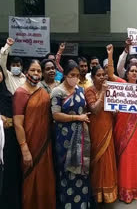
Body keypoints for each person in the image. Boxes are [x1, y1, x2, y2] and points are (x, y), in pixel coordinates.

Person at [13, 59, 55, 209]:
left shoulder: (43, 92)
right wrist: (25, 149)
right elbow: (18, 124)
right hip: (30, 145)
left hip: (45, 144)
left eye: (38, 71)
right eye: (33, 70)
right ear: (26, 72)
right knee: (31, 180)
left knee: (46, 178)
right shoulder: (20, 93)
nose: (36, 74)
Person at [112, 51, 137, 204]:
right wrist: (111, 55)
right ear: (126, 73)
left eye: (136, 71)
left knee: (136, 155)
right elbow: (110, 73)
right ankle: (125, 189)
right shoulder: (121, 86)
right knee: (125, 157)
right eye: (131, 71)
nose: (134, 73)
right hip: (122, 127)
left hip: (136, 128)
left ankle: (136, 188)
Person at [51, 60, 91, 208]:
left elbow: (85, 109)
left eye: (77, 75)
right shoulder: (57, 91)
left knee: (82, 168)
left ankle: (82, 204)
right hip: (65, 138)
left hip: (82, 136)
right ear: (65, 75)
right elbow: (56, 115)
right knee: (67, 169)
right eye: (71, 75)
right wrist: (77, 118)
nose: (75, 77)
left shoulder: (80, 90)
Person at [85, 45, 118, 206]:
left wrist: (116, 110)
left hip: (108, 129)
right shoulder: (89, 91)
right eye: (98, 75)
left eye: (104, 75)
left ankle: (108, 195)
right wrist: (104, 92)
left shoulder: (111, 89)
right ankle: (96, 195)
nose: (102, 78)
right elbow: (95, 110)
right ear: (92, 78)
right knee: (97, 162)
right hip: (95, 131)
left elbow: (113, 112)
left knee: (108, 161)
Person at [0, 67, 22, 209]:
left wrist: (6, 122)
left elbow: (16, 119)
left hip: (9, 143)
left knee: (9, 176)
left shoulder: (8, 96)